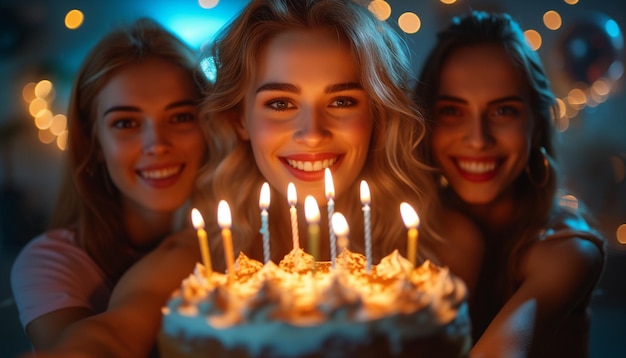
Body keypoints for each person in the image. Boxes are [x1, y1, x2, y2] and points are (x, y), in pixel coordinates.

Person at [25, 1, 483, 357]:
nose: (312, 133)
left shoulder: (445, 246)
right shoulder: (198, 261)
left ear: (377, 114)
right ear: (239, 119)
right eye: (280, 103)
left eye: (342, 101)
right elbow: (113, 334)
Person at [10, 17, 208, 352]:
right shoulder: (53, 263)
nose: (156, 144)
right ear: (95, 143)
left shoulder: (244, 236)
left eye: (180, 117)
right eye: (126, 123)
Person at [415, 11, 606, 358]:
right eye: (452, 111)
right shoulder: (414, 227)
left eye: (503, 111)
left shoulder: (569, 248)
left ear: (536, 126)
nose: (477, 139)